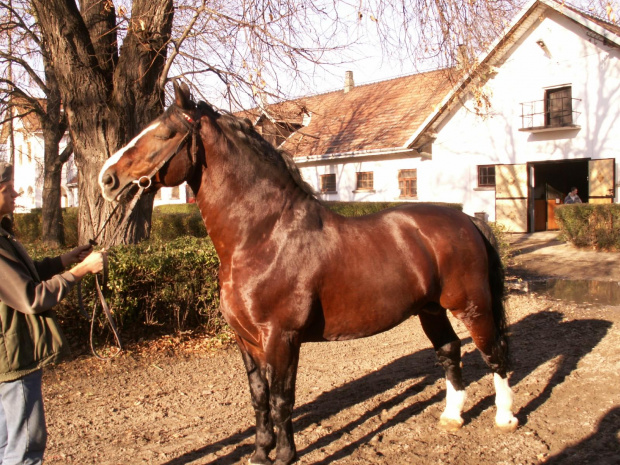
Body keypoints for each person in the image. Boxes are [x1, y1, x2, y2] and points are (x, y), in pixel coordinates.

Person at [0, 162, 107, 465]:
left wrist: (64, 260)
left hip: (9, 356)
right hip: (15, 357)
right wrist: (80, 271)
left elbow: (24, 274)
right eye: (8, 190)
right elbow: (31, 297)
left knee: (7, 442)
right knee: (25, 448)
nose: (17, 193)